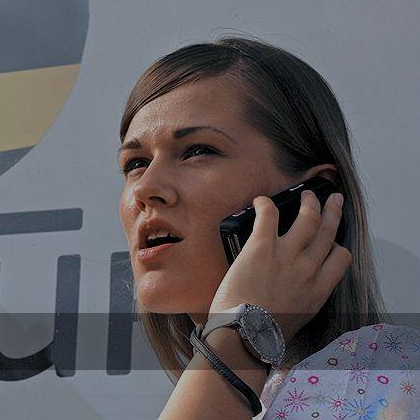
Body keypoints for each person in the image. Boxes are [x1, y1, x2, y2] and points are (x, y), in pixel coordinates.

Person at [116, 37, 419, 419]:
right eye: (136, 163)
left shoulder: (395, 383)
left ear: (312, 199)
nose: (145, 188)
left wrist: (242, 331)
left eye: (198, 151)